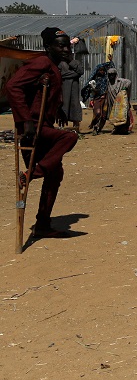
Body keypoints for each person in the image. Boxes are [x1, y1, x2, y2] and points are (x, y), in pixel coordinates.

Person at [4, 27, 79, 238]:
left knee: (55, 175)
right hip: (34, 130)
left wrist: (59, 110)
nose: (66, 49)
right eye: (61, 46)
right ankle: (32, 174)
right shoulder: (42, 62)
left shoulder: (54, 66)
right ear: (48, 47)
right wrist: (25, 120)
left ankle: (43, 224)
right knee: (70, 136)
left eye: (67, 45)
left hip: (44, 126)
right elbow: (12, 87)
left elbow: (45, 94)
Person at [58, 44, 84, 134]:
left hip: (74, 89)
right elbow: (61, 75)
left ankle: (76, 128)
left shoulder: (75, 62)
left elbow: (80, 71)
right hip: (64, 88)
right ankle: (61, 128)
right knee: (63, 106)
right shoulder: (60, 64)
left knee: (75, 106)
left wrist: (72, 71)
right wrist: (74, 74)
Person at [99, 68, 133, 134]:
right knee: (115, 116)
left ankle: (123, 129)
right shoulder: (107, 83)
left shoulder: (120, 81)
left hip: (121, 102)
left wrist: (124, 87)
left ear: (115, 75)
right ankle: (116, 128)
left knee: (123, 115)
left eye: (112, 74)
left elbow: (129, 82)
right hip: (112, 102)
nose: (111, 76)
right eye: (109, 74)